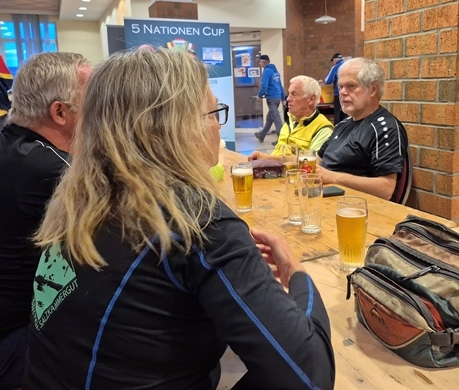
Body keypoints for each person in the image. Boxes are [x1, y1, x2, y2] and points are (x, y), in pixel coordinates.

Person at [23, 48, 334, 390]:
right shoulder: (197, 220)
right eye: (213, 113)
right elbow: (310, 376)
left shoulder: (80, 197)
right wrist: (298, 273)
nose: (218, 125)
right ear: (179, 127)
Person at [0, 52, 92, 390]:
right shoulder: (47, 170)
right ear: (60, 112)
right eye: (95, 100)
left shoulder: (15, 145)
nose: (106, 109)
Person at [317, 57, 408, 201]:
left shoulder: (386, 127)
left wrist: (333, 177)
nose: (342, 92)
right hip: (323, 198)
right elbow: (317, 161)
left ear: (373, 89)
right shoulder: (342, 125)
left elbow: (386, 189)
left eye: (351, 86)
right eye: (340, 87)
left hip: (356, 207)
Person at [248, 75, 333, 161]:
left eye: (294, 94)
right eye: (289, 94)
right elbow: (278, 154)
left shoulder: (323, 129)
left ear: (311, 99)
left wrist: (267, 158)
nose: (288, 99)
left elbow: (313, 163)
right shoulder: (290, 121)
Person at [254, 54, 285, 145]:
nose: (260, 64)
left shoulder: (267, 71)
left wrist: (259, 95)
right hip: (278, 97)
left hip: (271, 98)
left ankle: (282, 139)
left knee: (276, 118)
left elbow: (264, 85)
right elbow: (280, 86)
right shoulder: (275, 71)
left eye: (260, 62)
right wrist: (283, 98)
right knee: (270, 117)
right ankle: (261, 135)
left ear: (263, 62)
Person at [325, 52, 348, 123]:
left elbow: (328, 80)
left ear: (335, 60)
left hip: (338, 93)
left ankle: (337, 127)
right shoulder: (348, 65)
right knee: (347, 111)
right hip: (349, 92)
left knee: (337, 112)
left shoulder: (336, 67)